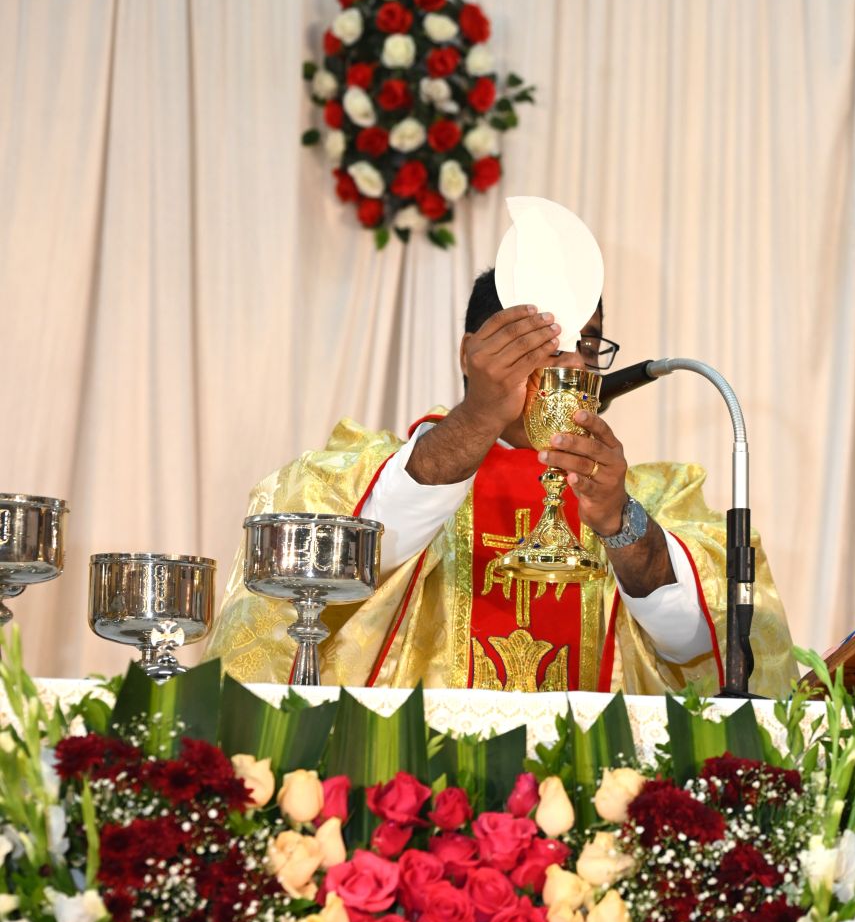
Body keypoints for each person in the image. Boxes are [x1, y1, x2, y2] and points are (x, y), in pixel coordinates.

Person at [206, 271, 794, 693]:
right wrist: (477, 418)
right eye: (540, 343)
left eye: (587, 345)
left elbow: (705, 646)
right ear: (473, 352)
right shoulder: (358, 476)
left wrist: (620, 522)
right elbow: (327, 571)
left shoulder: (654, 499)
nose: (574, 364)